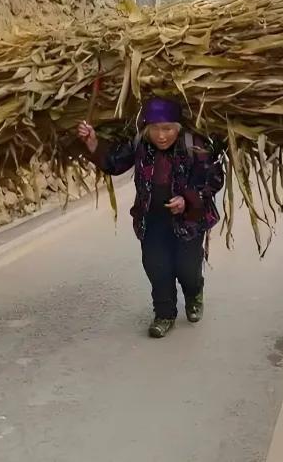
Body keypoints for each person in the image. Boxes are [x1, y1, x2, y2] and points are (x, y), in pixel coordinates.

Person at [76, 97, 224, 339]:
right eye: (155, 129)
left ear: (178, 127)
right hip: (153, 219)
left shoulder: (194, 145)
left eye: (167, 129)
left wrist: (187, 200)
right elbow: (113, 163)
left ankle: (194, 294)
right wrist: (93, 143)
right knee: (157, 267)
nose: (161, 135)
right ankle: (164, 315)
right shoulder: (140, 145)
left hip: (189, 222)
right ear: (146, 128)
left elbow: (214, 180)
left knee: (187, 269)